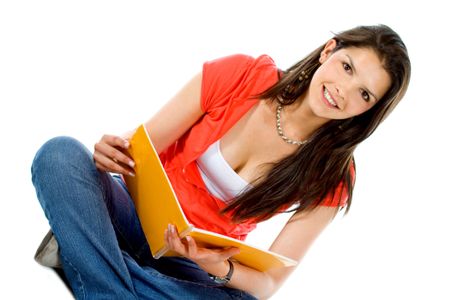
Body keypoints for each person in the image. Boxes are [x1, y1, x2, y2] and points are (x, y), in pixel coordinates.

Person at [31, 24, 411, 299]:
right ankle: (120, 283)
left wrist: (216, 267)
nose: (343, 91)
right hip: (134, 214)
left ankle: (90, 263)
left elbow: (268, 285)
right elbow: (140, 148)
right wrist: (113, 153)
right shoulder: (243, 74)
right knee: (60, 155)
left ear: (368, 111)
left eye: (364, 94)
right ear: (328, 51)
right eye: (347, 66)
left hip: (192, 266)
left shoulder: (333, 176)